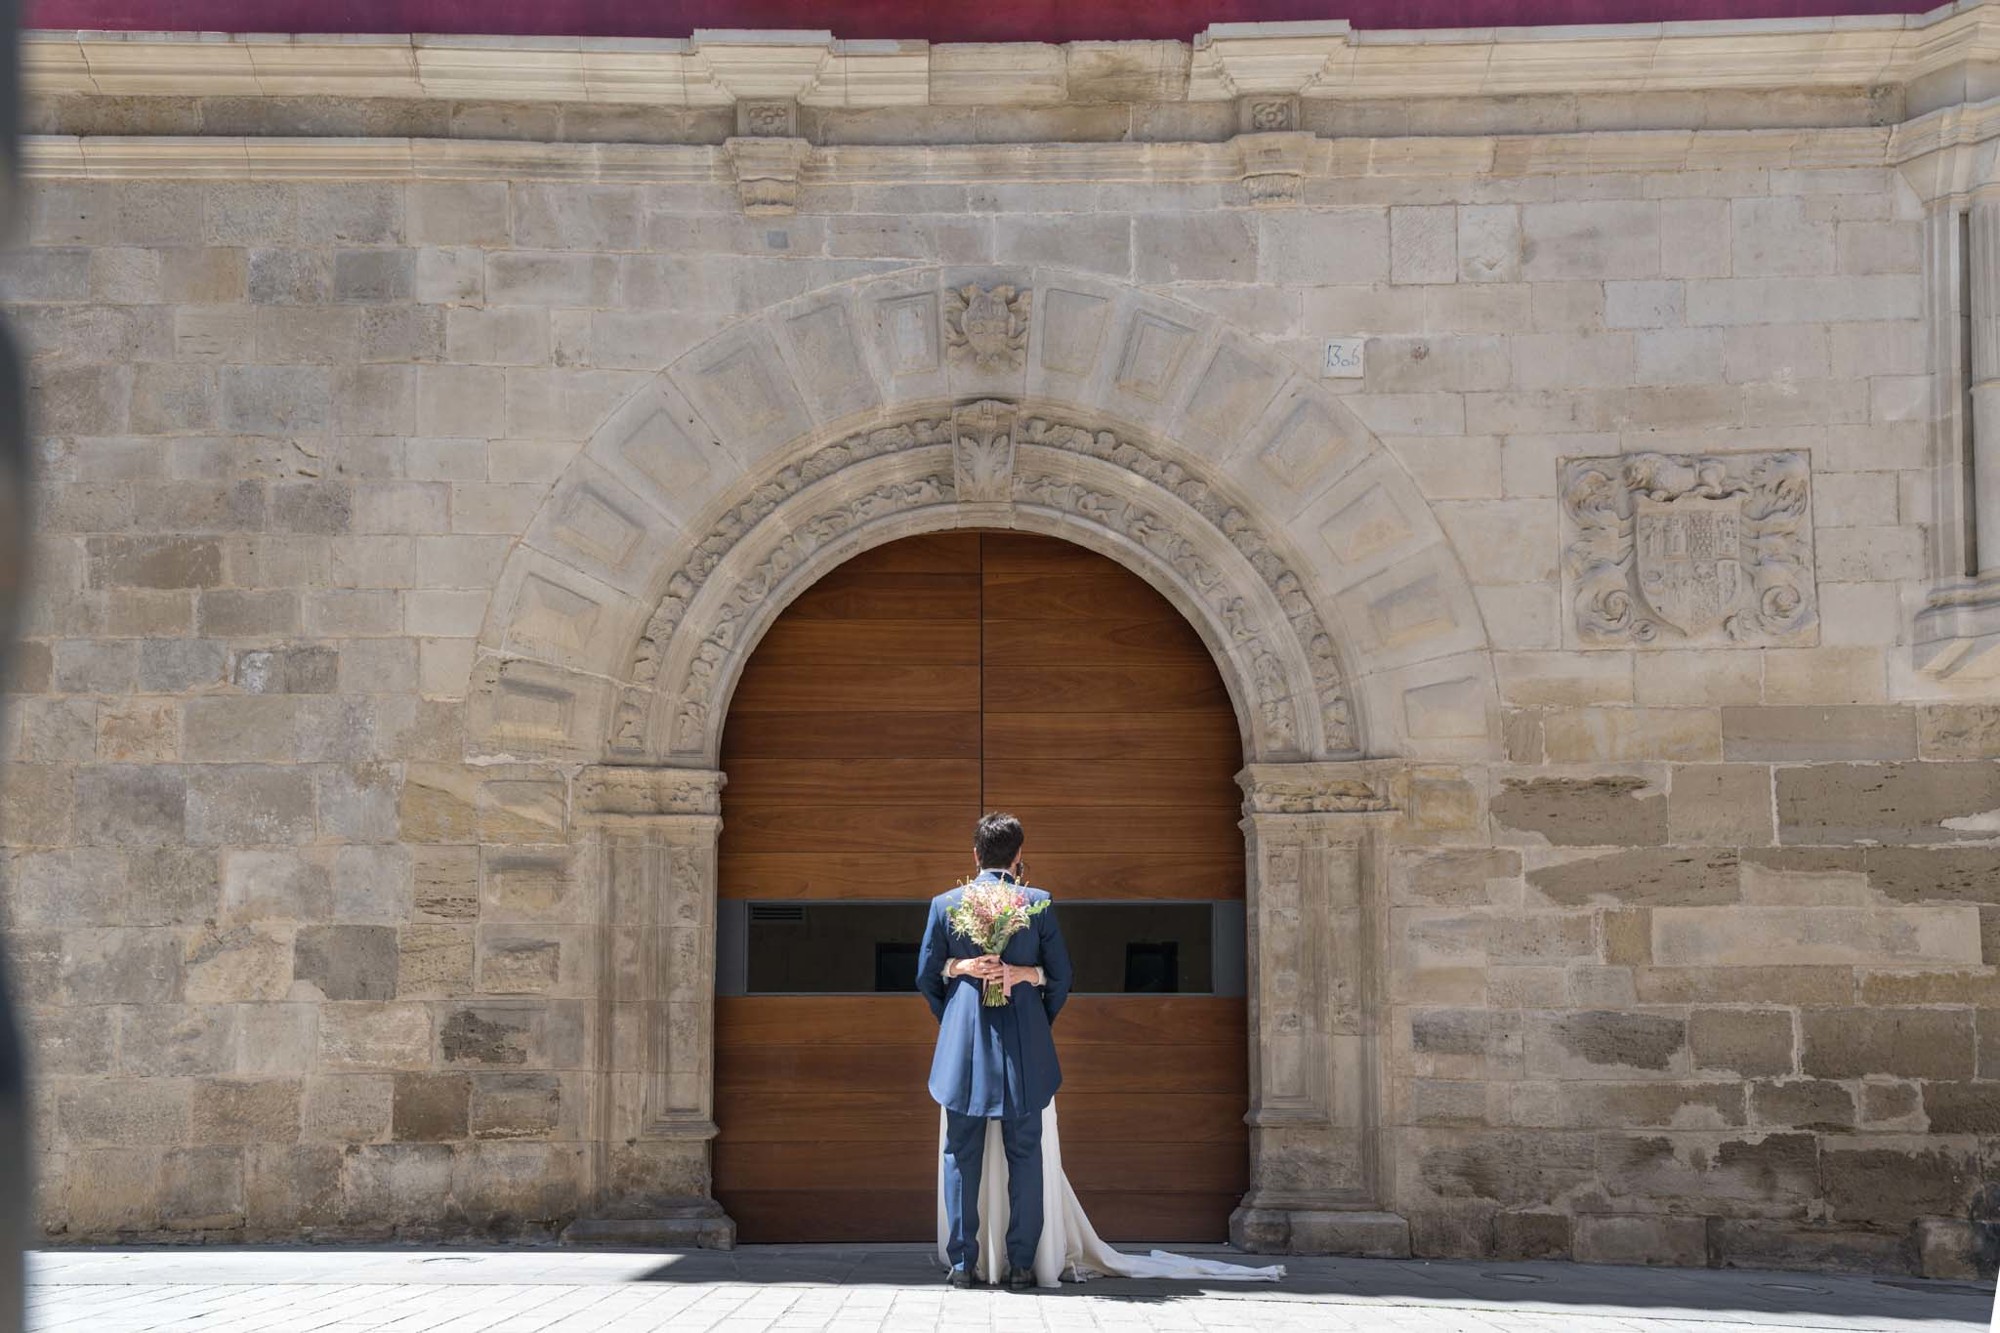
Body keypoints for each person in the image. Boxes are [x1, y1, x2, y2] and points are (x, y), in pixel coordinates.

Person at [915, 812, 1070, 1291]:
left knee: (960, 1152)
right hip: (1024, 1044)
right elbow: (1062, 976)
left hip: (965, 1045)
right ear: (1019, 856)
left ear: (976, 856)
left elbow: (926, 975)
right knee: (1025, 1153)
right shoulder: (1036, 902)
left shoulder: (947, 903)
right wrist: (1031, 997)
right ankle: (1022, 1265)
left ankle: (963, 1266)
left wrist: (958, 1000)